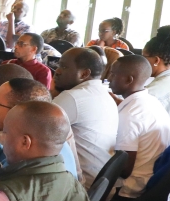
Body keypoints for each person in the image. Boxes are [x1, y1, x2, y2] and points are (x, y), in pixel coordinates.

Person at [51, 47, 119, 189]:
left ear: (84, 73)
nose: (57, 71)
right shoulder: (103, 93)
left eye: (64, 66)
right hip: (98, 188)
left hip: (81, 190)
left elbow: (34, 130)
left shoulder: (73, 97)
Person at [107, 55, 170, 200]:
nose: (108, 78)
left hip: (129, 188)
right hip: (150, 177)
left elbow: (123, 169)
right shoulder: (150, 101)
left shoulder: (130, 114)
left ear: (129, 80)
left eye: (113, 74)